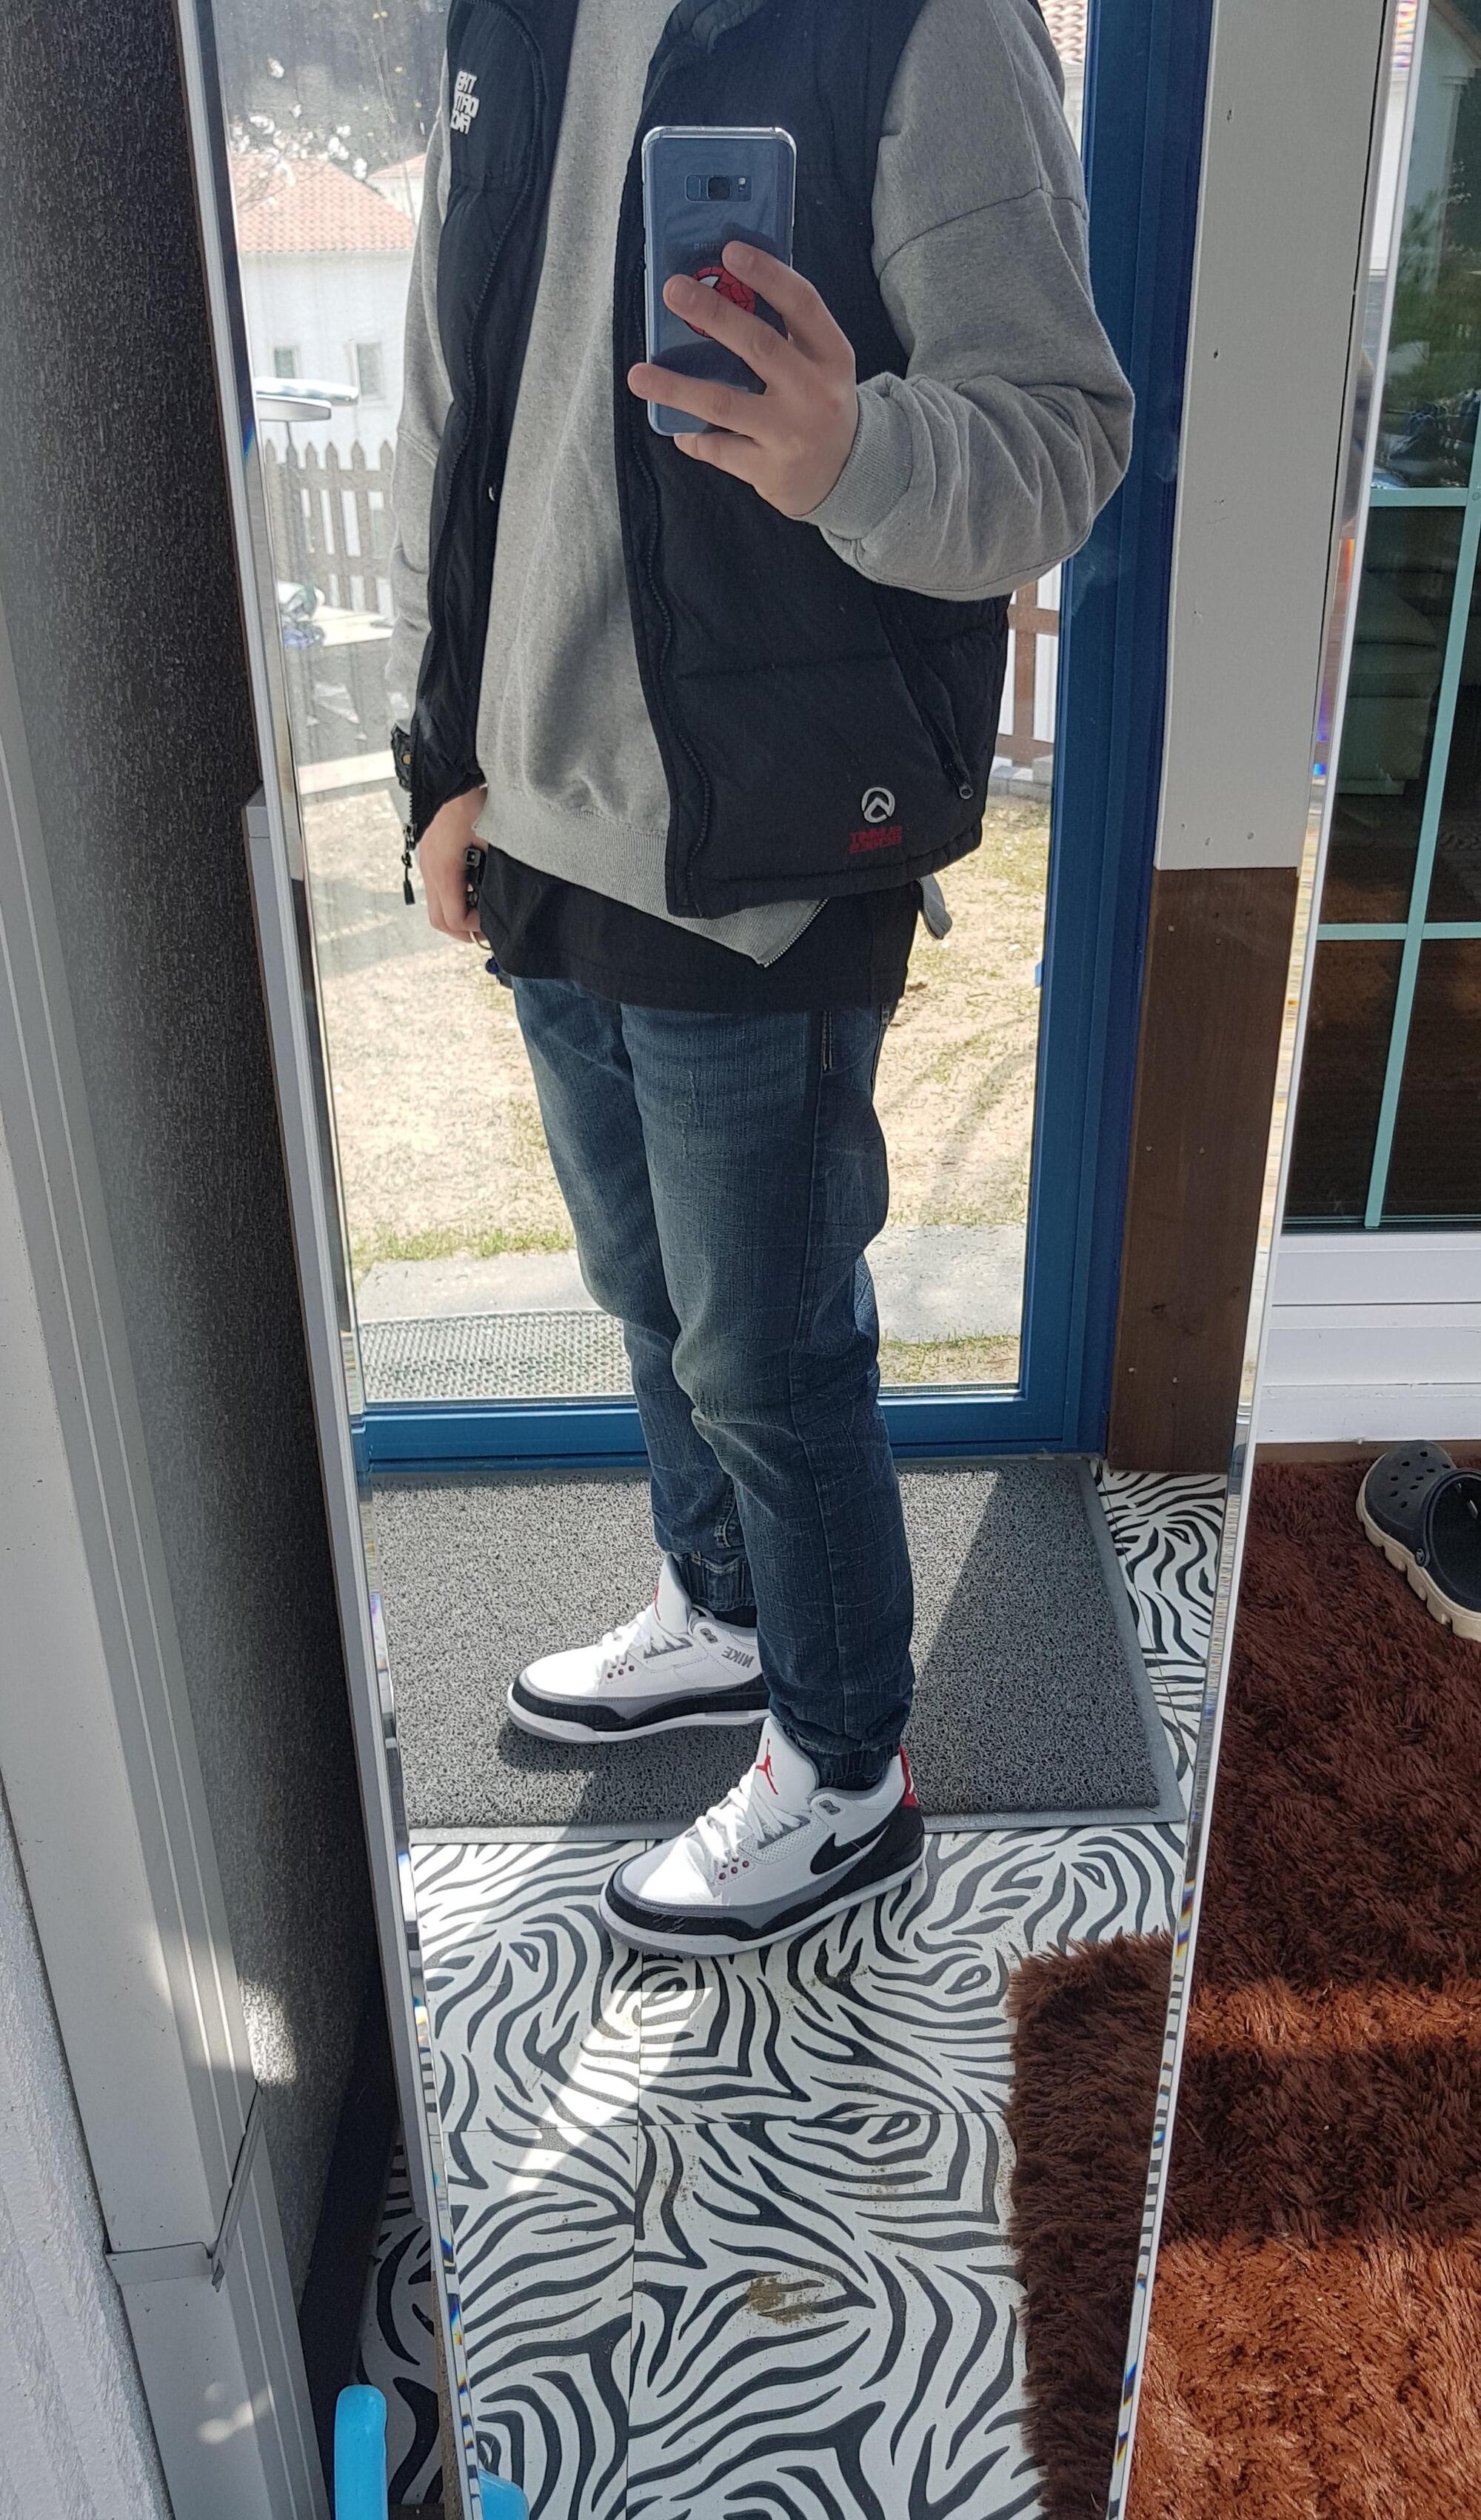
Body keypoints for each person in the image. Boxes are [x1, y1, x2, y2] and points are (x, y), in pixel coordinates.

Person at [388, 0, 1133, 1959]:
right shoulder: (508, 20)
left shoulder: (927, 24)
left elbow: (1061, 439)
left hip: (777, 841)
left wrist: (851, 449)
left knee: (770, 1353)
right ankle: (724, 1611)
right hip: (541, 819)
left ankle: (845, 1764)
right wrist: (441, 752)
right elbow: (457, 415)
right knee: (650, 1297)